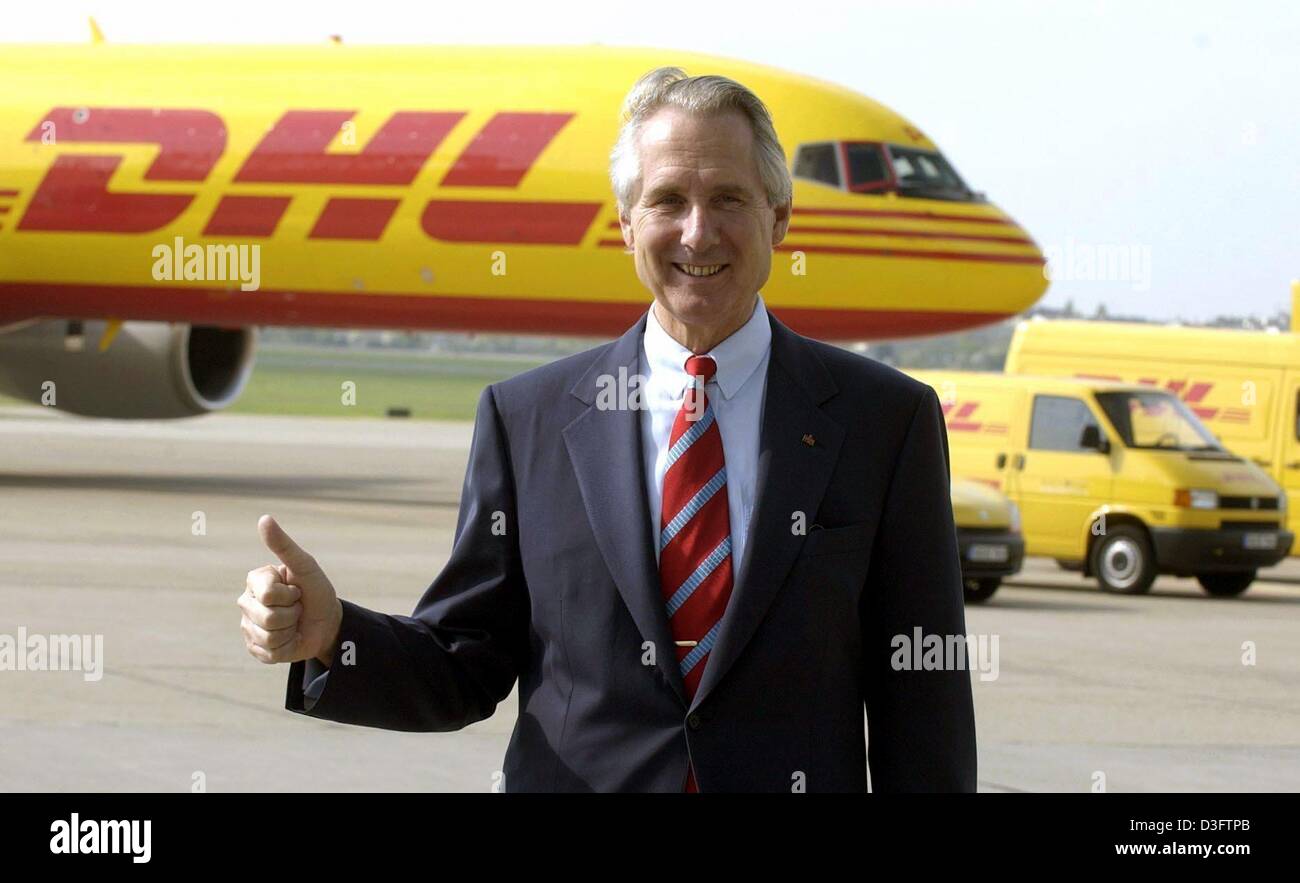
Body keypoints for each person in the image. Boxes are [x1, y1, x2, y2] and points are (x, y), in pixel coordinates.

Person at [238, 66, 977, 792]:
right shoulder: (526, 418)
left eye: (728, 197)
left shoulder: (885, 420)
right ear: (626, 226)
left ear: (778, 218)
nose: (698, 230)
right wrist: (337, 636)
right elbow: (467, 661)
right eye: (667, 201)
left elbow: (924, 698)